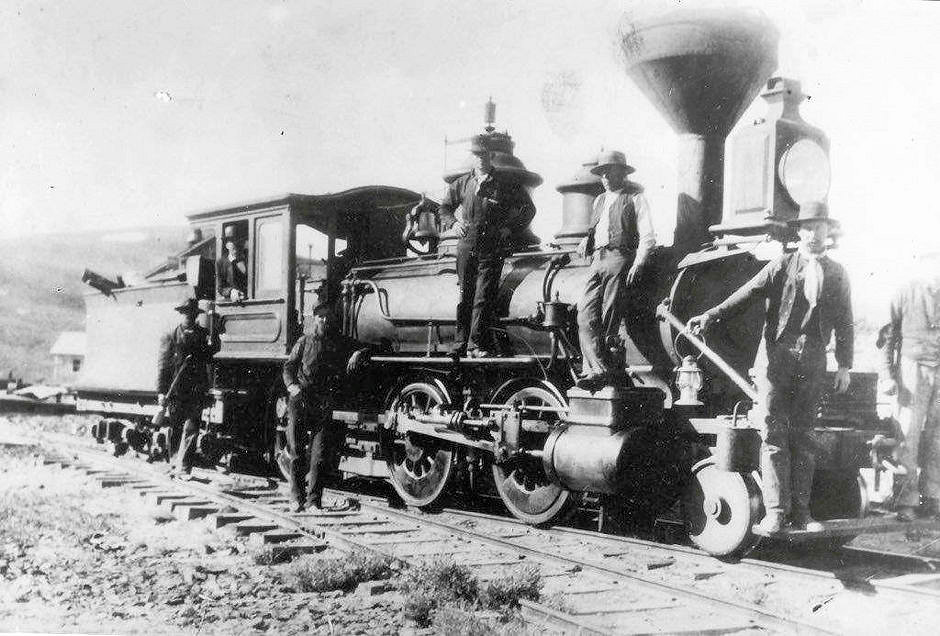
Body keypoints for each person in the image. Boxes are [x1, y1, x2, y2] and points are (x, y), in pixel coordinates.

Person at [687, 201, 854, 533]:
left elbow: (845, 322)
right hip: (776, 356)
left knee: (804, 436)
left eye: (820, 228)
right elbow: (747, 293)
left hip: (813, 359)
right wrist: (711, 315)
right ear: (800, 232)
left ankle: (803, 514)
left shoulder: (837, 273)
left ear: (827, 232)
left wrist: (845, 366)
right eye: (808, 228)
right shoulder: (782, 266)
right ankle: (776, 513)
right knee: (773, 433)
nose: (814, 234)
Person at [438, 135, 536, 357]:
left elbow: (528, 209)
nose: (480, 158)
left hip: (491, 247)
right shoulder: (462, 183)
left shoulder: (505, 183)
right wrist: (453, 224)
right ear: (472, 157)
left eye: (484, 154)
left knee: (482, 297)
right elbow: (443, 208)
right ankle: (460, 344)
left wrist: (509, 229)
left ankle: (476, 344)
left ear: (491, 156)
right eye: (476, 155)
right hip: (466, 245)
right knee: (464, 295)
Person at [576, 150, 656, 387]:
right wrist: (585, 240)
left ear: (622, 173)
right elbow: (596, 229)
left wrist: (639, 262)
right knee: (584, 312)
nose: (605, 177)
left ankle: (602, 369)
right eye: (602, 173)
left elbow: (648, 234)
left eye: (610, 172)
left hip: (619, 257)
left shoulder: (635, 198)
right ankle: (596, 368)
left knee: (609, 313)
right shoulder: (599, 200)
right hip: (597, 260)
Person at [282, 303, 370, 512]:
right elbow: (288, 367)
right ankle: (295, 498)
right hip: (300, 399)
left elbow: (366, 346)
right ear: (314, 319)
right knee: (296, 450)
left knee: (319, 454)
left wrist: (358, 354)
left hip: (323, 403)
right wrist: (292, 387)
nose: (325, 320)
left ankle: (313, 501)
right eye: (321, 317)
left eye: (328, 316)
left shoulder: (338, 343)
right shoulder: (303, 342)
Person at [880, 253, 940, 521]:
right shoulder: (905, 292)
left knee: (937, 437)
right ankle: (906, 500)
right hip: (911, 370)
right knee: (908, 435)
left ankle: (934, 496)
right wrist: (888, 376)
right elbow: (887, 338)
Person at [157, 298, 220, 478]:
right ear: (181, 314)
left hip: (195, 390)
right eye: (186, 314)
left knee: (192, 428)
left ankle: (184, 468)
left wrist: (214, 340)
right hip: (176, 390)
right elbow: (163, 366)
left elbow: (209, 358)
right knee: (176, 427)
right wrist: (161, 392)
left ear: (195, 316)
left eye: (192, 314)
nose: (189, 317)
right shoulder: (171, 335)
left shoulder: (202, 334)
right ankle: (174, 462)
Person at [217, 226, 248, 301]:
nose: (236, 244)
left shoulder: (248, 259)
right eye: (232, 241)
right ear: (227, 245)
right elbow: (220, 288)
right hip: (232, 302)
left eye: (238, 241)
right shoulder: (221, 263)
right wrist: (231, 291)